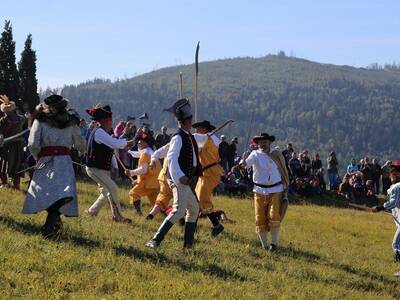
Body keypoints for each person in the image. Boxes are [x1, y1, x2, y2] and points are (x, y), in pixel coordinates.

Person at [22, 95, 86, 238]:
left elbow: (32, 143)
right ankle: (52, 224)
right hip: (64, 161)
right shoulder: (71, 121)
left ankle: (50, 225)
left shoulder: (40, 120)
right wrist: (82, 150)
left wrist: (38, 156)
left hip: (45, 160)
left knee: (46, 192)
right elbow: (79, 141)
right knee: (63, 193)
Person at [146, 98, 201, 249]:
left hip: (186, 181)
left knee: (194, 209)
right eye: (190, 119)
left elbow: (164, 150)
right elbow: (171, 157)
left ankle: (188, 246)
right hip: (179, 180)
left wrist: (154, 156)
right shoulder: (178, 136)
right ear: (186, 121)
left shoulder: (187, 136)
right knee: (178, 211)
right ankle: (155, 240)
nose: (191, 121)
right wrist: (179, 176)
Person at [238, 133, 289, 251]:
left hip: (276, 189)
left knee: (273, 215)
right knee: (259, 217)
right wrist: (242, 164)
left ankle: (274, 244)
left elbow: (284, 170)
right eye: (260, 142)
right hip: (259, 190)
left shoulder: (276, 154)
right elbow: (246, 164)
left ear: (270, 142)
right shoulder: (254, 154)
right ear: (258, 143)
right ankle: (265, 246)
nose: (263, 143)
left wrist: (285, 186)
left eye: (265, 141)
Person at [85, 105, 134, 223]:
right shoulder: (99, 132)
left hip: (101, 169)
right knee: (113, 188)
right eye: (110, 120)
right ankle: (118, 216)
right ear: (104, 121)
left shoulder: (103, 132)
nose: (111, 123)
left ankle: (91, 212)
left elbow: (113, 148)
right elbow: (115, 144)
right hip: (94, 168)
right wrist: (130, 142)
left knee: (105, 192)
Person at [193, 120, 225, 236]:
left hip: (210, 173)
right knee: (196, 199)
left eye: (199, 128)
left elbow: (194, 140)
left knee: (202, 199)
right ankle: (192, 224)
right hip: (204, 174)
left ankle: (217, 225)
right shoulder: (204, 140)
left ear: (205, 130)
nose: (196, 130)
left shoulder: (206, 140)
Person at [126, 132, 161, 214]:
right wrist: (128, 152)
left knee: (133, 193)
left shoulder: (145, 153)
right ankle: (165, 212)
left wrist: (131, 172)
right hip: (155, 181)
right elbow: (138, 154)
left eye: (141, 143)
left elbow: (143, 170)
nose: (138, 144)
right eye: (138, 142)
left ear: (146, 144)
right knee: (156, 202)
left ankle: (138, 212)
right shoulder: (150, 151)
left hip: (148, 182)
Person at [372, 164, 400, 263]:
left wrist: (380, 207)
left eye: (391, 174)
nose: (389, 176)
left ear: (396, 175)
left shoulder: (397, 186)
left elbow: (393, 203)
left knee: (396, 245)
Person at [0, 95, 26, 190]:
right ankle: (16, 185)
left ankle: (4, 183)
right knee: (18, 163)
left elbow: (1, 134)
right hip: (19, 145)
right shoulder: (21, 119)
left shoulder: (3, 120)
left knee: (3, 164)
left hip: (7, 146)